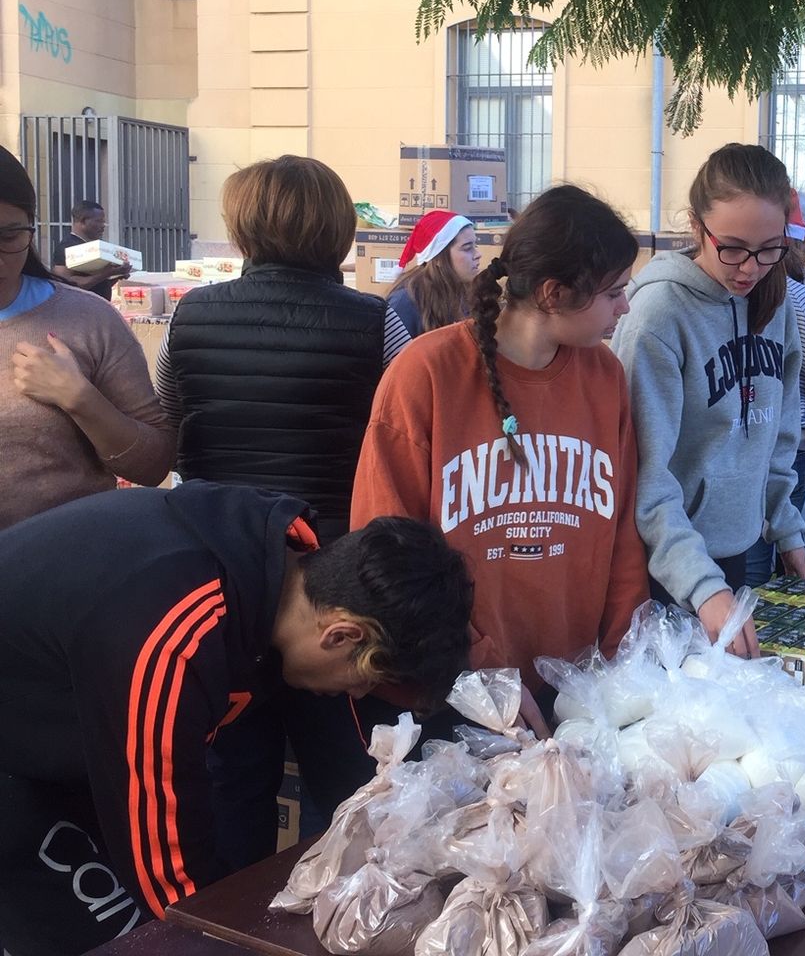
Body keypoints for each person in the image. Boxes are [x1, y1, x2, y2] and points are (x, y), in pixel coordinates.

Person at [0, 480, 472, 956]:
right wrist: (227, 935)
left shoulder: (283, 569)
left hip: (58, 724)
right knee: (113, 932)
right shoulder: (175, 632)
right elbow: (166, 864)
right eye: (366, 679)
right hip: (19, 753)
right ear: (341, 635)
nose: (357, 692)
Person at [350, 183, 650, 746]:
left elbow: (624, 534)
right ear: (555, 294)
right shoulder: (426, 373)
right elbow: (386, 548)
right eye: (614, 293)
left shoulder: (605, 376)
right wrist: (476, 673)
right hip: (454, 691)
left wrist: (617, 662)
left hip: (580, 695)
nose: (626, 307)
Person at [156, 155, 388, 864]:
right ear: (338, 230)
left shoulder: (192, 317)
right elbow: (400, 436)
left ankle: (236, 923)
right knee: (347, 782)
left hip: (218, 582)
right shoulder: (377, 325)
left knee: (233, 777)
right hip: (333, 587)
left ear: (244, 226)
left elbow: (169, 420)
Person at [612, 144, 805, 653]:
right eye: (733, 247)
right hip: (669, 566)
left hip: (740, 550)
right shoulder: (657, 314)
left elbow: (779, 427)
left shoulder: (775, 297)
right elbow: (645, 476)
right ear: (697, 227)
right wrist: (702, 587)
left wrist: (785, 522)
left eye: (770, 248)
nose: (750, 267)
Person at [0, 149, 173, 530]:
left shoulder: (87, 319)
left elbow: (153, 464)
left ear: (31, 228)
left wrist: (80, 399)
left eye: (8, 236)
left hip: (66, 565)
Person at [744, 194, 805, 586]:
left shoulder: (797, 302)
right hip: (796, 445)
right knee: (782, 559)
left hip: (774, 442)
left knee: (756, 558)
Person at [383, 209, 482, 351]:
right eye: (467, 248)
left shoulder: (467, 293)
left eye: (475, 246)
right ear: (438, 258)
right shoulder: (406, 302)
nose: (478, 254)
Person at [49, 200, 129, 301]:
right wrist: (106, 273)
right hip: (79, 312)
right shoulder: (67, 247)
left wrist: (117, 275)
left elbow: (96, 285)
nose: (103, 225)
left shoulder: (92, 247)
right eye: (99, 221)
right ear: (83, 221)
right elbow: (66, 286)